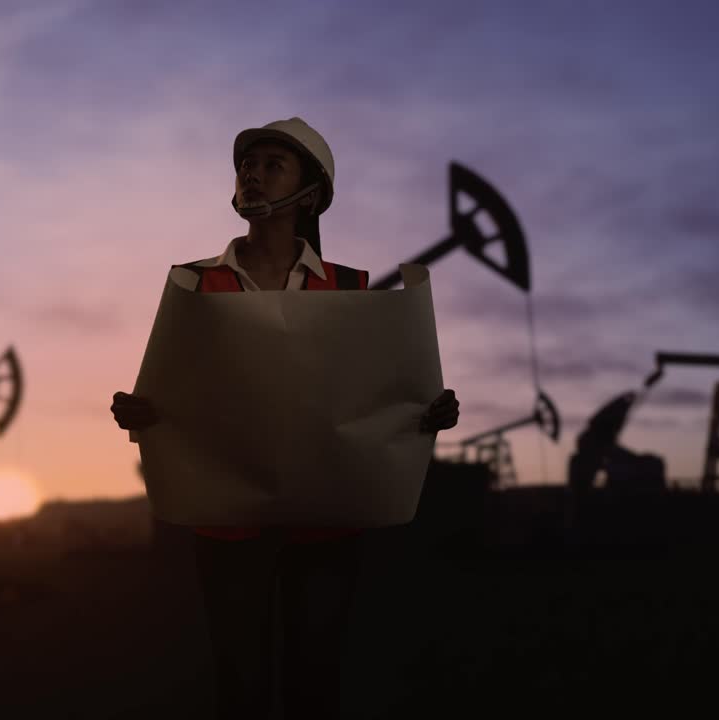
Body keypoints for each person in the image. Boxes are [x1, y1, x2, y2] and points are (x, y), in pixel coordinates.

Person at [112, 117, 459, 719]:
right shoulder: (192, 284)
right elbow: (177, 386)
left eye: (274, 164)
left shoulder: (354, 290)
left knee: (314, 683)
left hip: (326, 523)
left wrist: (423, 411)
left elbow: (373, 394)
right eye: (249, 163)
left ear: (312, 194)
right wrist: (142, 410)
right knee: (240, 684)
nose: (253, 172)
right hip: (226, 520)